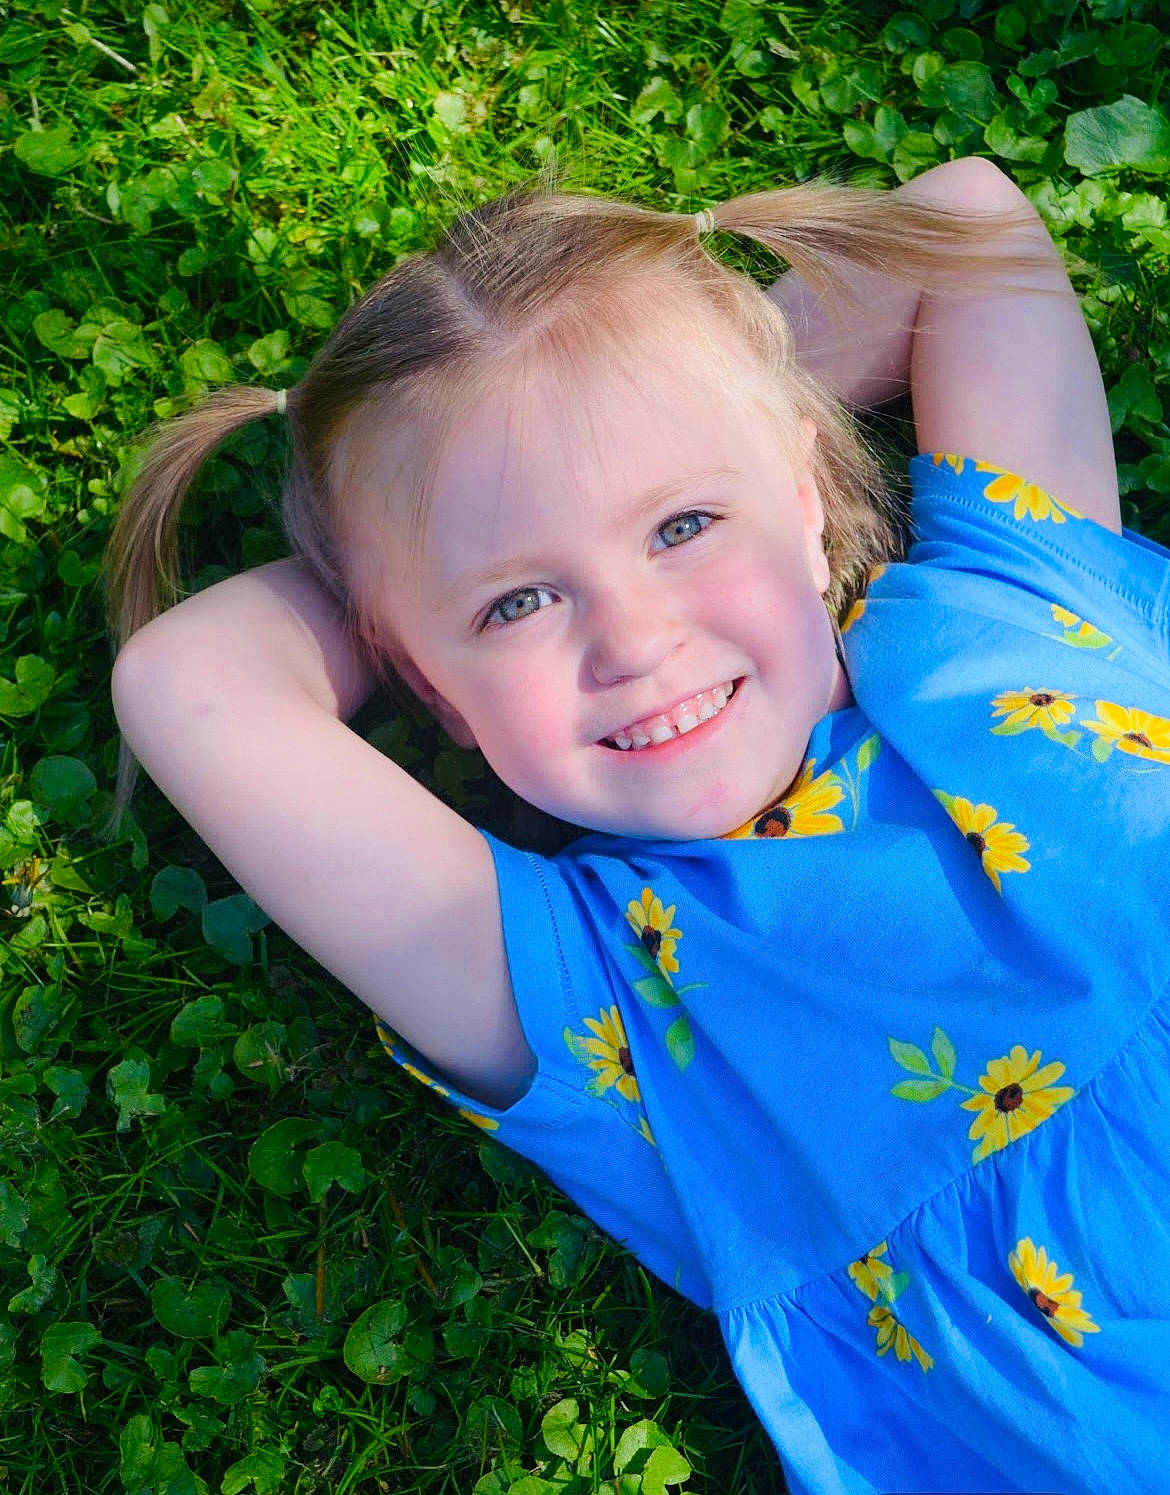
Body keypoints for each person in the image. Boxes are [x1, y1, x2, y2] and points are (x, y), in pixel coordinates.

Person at [106, 155, 1170, 1494]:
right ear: (426, 685)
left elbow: (962, 219)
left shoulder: (1009, 605)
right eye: (513, 605)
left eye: (683, 521)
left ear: (798, 499)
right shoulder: (590, 981)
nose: (635, 639)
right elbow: (187, 682)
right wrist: (399, 552)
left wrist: (672, 380)